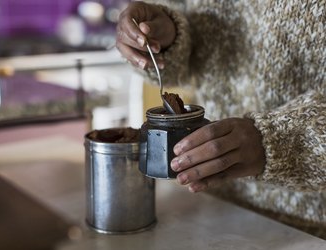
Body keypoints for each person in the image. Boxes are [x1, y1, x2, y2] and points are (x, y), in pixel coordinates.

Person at [116, 0, 326, 238]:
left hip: (310, 227)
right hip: (213, 209)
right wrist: (168, 35)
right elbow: (186, 39)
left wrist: (283, 141)